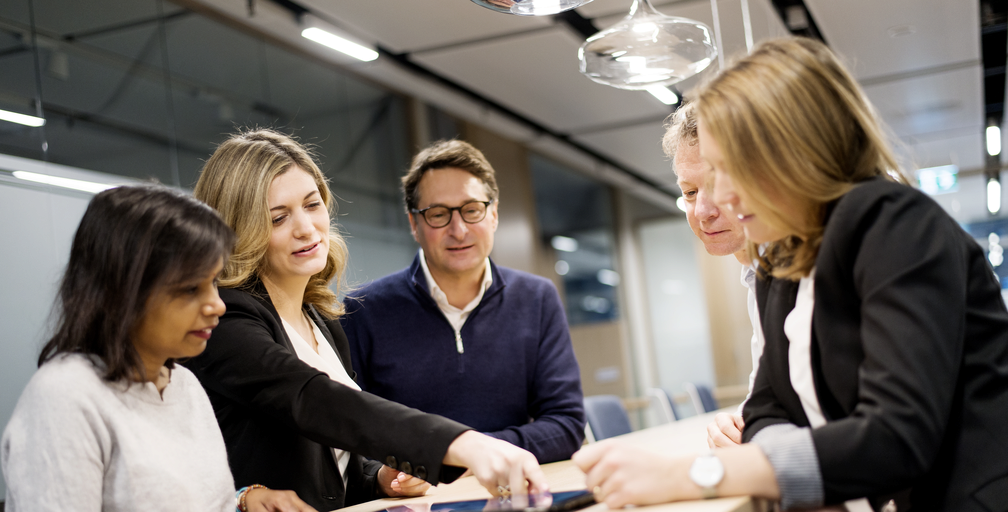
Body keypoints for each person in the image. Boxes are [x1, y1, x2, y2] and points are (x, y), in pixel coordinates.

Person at [573, 37, 1008, 512]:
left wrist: (695, 475)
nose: (721, 200)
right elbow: (767, 409)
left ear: (793, 152)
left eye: (729, 171)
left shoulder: (892, 220)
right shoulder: (778, 258)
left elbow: (897, 437)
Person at [185, 130, 548, 512]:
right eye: (278, 218)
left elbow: (338, 466)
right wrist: (462, 443)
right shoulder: (225, 319)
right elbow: (314, 400)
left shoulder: (321, 320)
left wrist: (379, 477)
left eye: (312, 205)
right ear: (239, 232)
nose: (306, 228)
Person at [1, 185, 315, 512]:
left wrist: (241, 502)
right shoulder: (64, 397)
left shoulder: (184, 385)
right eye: (191, 288)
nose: (217, 305)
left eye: (213, 283)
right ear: (124, 292)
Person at [341, 139, 585, 464]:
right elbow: (350, 435)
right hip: (418, 498)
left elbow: (566, 426)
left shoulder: (537, 298)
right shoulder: (361, 310)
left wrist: (469, 454)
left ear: (494, 215)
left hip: (512, 487)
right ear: (414, 224)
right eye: (438, 214)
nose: (458, 230)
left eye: (472, 210)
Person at [662, 102, 763, 448]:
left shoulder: (802, 269)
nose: (702, 212)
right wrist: (740, 420)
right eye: (689, 193)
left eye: (718, 185)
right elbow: (770, 395)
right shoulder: (755, 275)